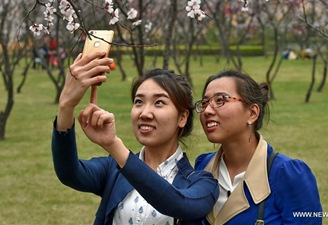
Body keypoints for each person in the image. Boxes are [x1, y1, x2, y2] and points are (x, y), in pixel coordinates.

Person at [51, 51, 219, 225]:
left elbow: (177, 203)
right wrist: (66, 106)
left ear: (182, 117)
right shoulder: (114, 170)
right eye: (139, 102)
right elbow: (69, 172)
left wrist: (115, 146)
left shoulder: (202, 183)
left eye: (159, 102)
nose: (145, 113)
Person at [194, 70, 322, 225]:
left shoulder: (287, 174)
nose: (207, 111)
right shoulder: (203, 166)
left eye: (220, 100)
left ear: (252, 113)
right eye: (205, 103)